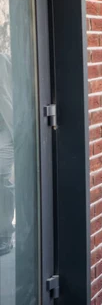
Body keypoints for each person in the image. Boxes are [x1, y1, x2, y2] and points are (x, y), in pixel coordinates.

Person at [0, 52, 14, 256]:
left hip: (5, 129)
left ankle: (4, 235)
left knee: (1, 177)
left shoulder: (1, 60)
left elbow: (6, 95)